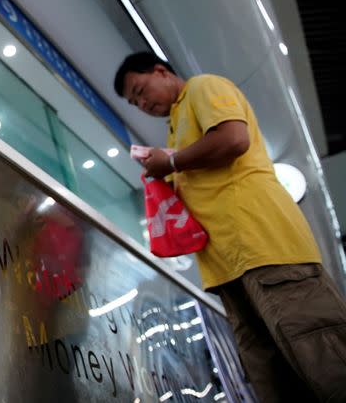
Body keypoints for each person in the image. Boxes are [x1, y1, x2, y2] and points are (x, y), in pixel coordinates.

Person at [114, 52, 346, 402]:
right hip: (226, 265)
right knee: (272, 373)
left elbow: (235, 139)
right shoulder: (176, 126)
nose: (143, 103)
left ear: (161, 71)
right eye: (135, 101)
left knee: (318, 350)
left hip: (263, 244)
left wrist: (173, 161)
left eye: (141, 90)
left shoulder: (203, 87)